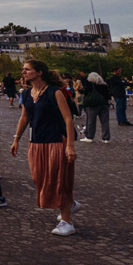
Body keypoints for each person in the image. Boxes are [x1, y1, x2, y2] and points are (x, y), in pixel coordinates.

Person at [11, 59, 78, 236]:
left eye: (27, 69)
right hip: (36, 143)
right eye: (23, 69)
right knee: (39, 179)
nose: (23, 72)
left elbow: (68, 119)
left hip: (56, 140)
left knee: (58, 180)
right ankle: (70, 203)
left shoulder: (55, 92)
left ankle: (67, 221)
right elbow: (24, 117)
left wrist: (70, 146)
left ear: (39, 72)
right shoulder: (26, 94)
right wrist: (16, 138)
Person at [79, 72, 111, 142]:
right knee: (105, 122)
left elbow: (85, 92)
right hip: (104, 104)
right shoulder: (104, 85)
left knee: (91, 121)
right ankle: (106, 138)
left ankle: (89, 137)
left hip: (92, 104)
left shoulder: (89, 84)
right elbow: (108, 95)